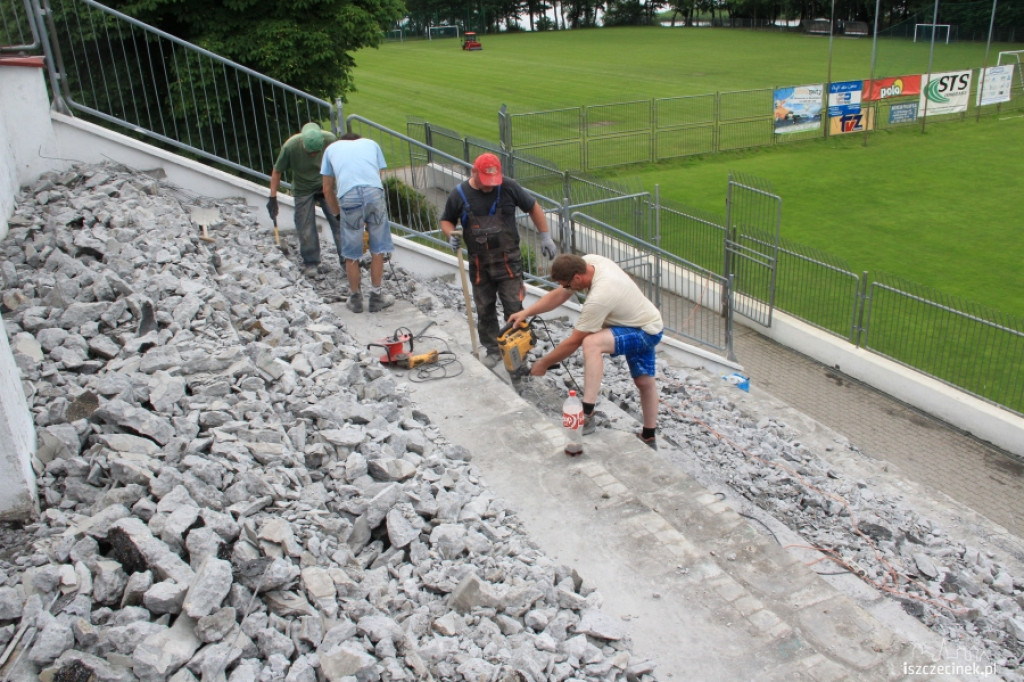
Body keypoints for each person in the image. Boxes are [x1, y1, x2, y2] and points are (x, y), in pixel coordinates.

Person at [507, 253, 664, 449]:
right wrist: (526, 312)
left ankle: (587, 413)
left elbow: (574, 341)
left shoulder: (600, 295)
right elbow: (560, 294)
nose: (566, 288)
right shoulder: (589, 262)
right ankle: (649, 437)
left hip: (645, 331)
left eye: (567, 284)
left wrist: (543, 364)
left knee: (591, 343)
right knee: (643, 381)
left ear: (578, 278)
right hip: (640, 319)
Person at [440, 153, 557, 365]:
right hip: (479, 263)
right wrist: (451, 235)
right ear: (474, 172)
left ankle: (517, 352)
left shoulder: (509, 187)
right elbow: (446, 220)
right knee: (485, 308)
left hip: (508, 262)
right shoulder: (459, 194)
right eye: (486, 182)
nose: (490, 187)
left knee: (514, 307)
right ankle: (493, 350)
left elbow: (533, 207)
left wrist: (545, 236)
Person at [321, 133, 394, 314]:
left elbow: (327, 189)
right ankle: (376, 297)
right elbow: (377, 177)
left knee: (351, 252)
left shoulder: (331, 149)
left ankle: (355, 299)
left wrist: (338, 215)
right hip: (373, 193)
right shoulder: (371, 143)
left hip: (349, 195)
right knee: (378, 248)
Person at [267, 122, 341, 277]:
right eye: (310, 153)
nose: (313, 155)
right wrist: (273, 196)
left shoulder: (330, 140)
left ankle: (348, 259)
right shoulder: (291, 147)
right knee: (305, 225)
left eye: (316, 152)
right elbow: (277, 171)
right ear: (302, 143)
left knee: (339, 221)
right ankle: (311, 262)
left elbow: (341, 163)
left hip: (325, 184)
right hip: (303, 189)